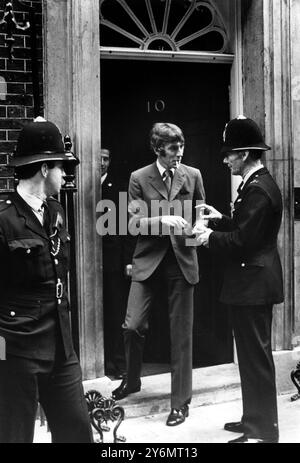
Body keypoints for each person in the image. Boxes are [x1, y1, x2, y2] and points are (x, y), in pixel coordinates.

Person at [0, 117, 93, 443]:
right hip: (17, 353)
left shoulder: (56, 211)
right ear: (43, 169)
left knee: (78, 434)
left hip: (61, 348)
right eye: (61, 167)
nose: (66, 174)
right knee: (14, 437)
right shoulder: (5, 222)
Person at [195, 115, 283, 443]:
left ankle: (262, 432)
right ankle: (253, 421)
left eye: (229, 153)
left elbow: (244, 241)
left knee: (255, 360)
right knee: (250, 359)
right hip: (251, 285)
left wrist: (208, 238)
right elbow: (245, 227)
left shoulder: (258, 189)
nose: (225, 159)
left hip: (254, 286)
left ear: (244, 154)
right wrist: (219, 221)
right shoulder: (255, 185)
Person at [112, 122, 205, 426]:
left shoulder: (193, 175)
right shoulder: (138, 178)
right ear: (157, 149)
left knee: (181, 335)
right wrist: (164, 219)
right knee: (132, 325)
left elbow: (199, 216)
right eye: (173, 149)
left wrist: (197, 231)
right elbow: (133, 223)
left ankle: (180, 403)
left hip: (181, 261)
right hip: (149, 260)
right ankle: (133, 379)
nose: (179, 154)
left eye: (182, 147)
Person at [100, 148, 129, 380]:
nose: (101, 162)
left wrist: (128, 260)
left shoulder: (117, 187)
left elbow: (126, 226)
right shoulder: (79, 184)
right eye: (98, 157)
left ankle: (118, 364)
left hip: (113, 262)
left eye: (106, 158)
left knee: (115, 312)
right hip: (90, 263)